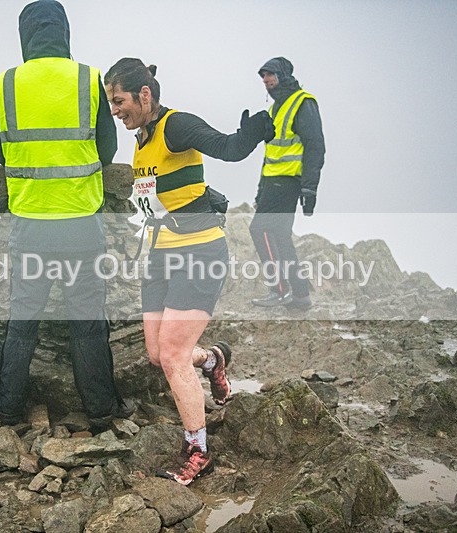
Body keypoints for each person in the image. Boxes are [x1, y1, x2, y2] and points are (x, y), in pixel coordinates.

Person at [104, 58, 273, 485]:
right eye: (110, 103)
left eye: (119, 100)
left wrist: (252, 134)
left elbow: (229, 148)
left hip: (199, 252)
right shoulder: (141, 139)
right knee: (158, 353)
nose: (115, 110)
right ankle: (213, 359)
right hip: (161, 254)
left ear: (144, 94)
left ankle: (198, 452)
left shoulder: (175, 126)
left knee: (174, 355)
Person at [0, 0, 130, 430]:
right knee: (87, 323)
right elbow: (108, 149)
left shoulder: (3, 84)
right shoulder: (87, 78)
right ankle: (101, 412)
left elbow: (0, 152)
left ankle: (8, 412)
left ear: (25, 35)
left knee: (22, 323)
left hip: (29, 223)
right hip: (80, 222)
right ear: (64, 33)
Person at [249, 57, 326, 310]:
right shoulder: (275, 109)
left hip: (288, 181)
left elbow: (315, 146)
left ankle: (278, 290)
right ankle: (301, 296)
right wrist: (261, 190)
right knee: (281, 237)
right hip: (272, 182)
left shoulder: (303, 103)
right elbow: (271, 154)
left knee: (259, 229)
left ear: (283, 75)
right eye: (263, 76)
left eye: (270, 74)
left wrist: (310, 188)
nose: (266, 80)